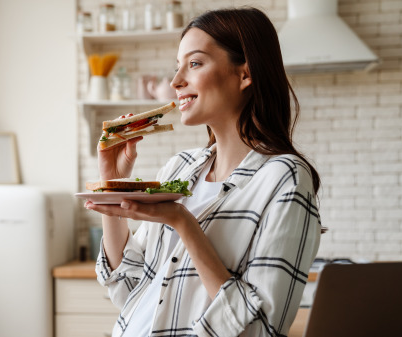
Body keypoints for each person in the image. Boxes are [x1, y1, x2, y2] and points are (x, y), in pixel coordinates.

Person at [84, 6, 323, 337]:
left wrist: (184, 222)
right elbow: (127, 286)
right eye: (177, 66)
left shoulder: (285, 178)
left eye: (194, 63)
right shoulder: (181, 168)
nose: (176, 81)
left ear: (244, 74)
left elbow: (260, 330)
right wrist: (112, 184)